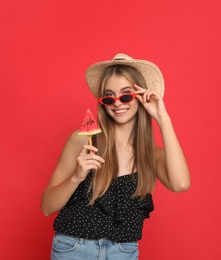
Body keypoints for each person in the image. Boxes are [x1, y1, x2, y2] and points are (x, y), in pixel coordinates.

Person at [41, 53, 190, 259]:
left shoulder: (151, 155)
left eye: (127, 94)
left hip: (124, 251)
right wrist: (76, 176)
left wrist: (163, 118)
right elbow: (47, 207)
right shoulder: (84, 140)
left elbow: (180, 184)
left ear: (141, 97)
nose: (117, 103)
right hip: (74, 249)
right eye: (109, 96)